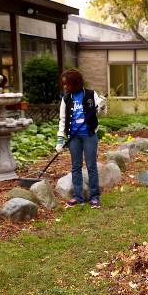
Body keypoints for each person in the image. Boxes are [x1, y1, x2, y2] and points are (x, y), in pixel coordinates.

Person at [56, 69, 106, 209]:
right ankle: (78, 197)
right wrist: (60, 140)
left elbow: (102, 114)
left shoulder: (91, 94)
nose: (65, 87)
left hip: (89, 135)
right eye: (64, 84)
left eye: (67, 84)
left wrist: (102, 106)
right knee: (76, 167)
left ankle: (94, 197)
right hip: (73, 137)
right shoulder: (66, 99)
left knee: (91, 166)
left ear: (76, 82)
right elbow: (62, 120)